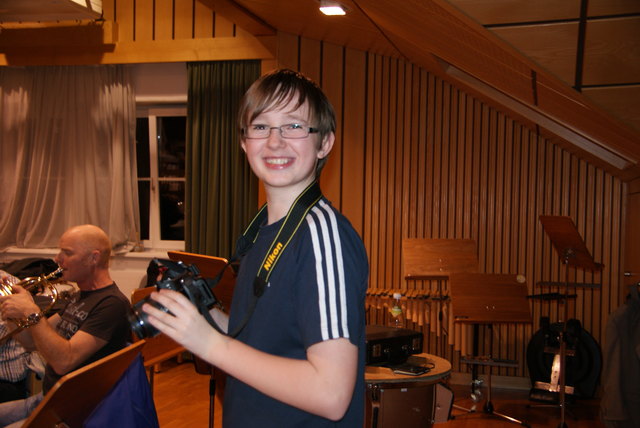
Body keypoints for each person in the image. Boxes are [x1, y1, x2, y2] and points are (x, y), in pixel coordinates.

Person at [142, 69, 369, 427]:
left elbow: (331, 395)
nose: (275, 142)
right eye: (261, 127)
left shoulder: (323, 236)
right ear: (244, 142)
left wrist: (209, 344)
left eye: (294, 126)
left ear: (325, 143)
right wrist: (205, 315)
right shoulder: (263, 229)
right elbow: (265, 341)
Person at [0, 224, 131, 427]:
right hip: (49, 398)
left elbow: (64, 361)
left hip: (73, 413)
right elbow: (30, 343)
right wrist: (11, 312)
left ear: (94, 258)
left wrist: (32, 312)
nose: (57, 259)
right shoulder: (79, 296)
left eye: (67, 253)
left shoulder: (112, 304)